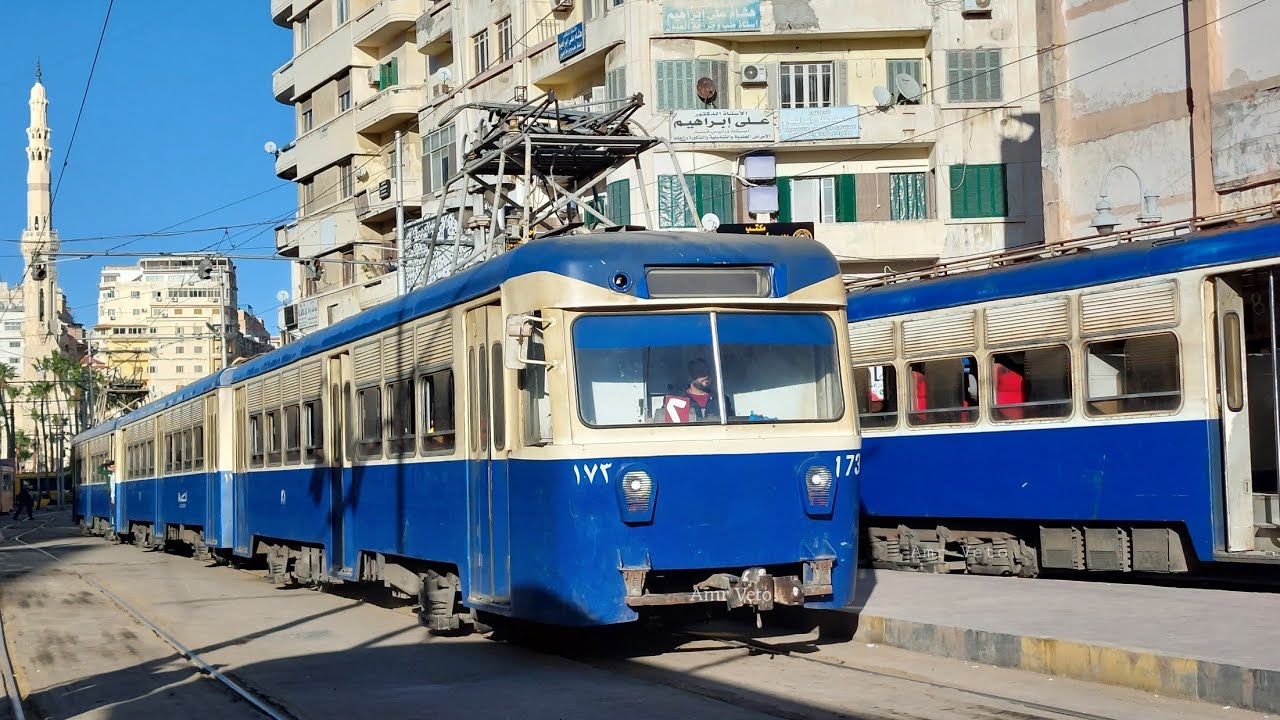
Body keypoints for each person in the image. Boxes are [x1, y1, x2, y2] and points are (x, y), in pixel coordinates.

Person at [662, 359, 732, 422]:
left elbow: (730, 424)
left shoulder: (722, 400)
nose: (706, 376)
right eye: (700, 372)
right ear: (690, 377)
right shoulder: (675, 401)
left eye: (708, 372)